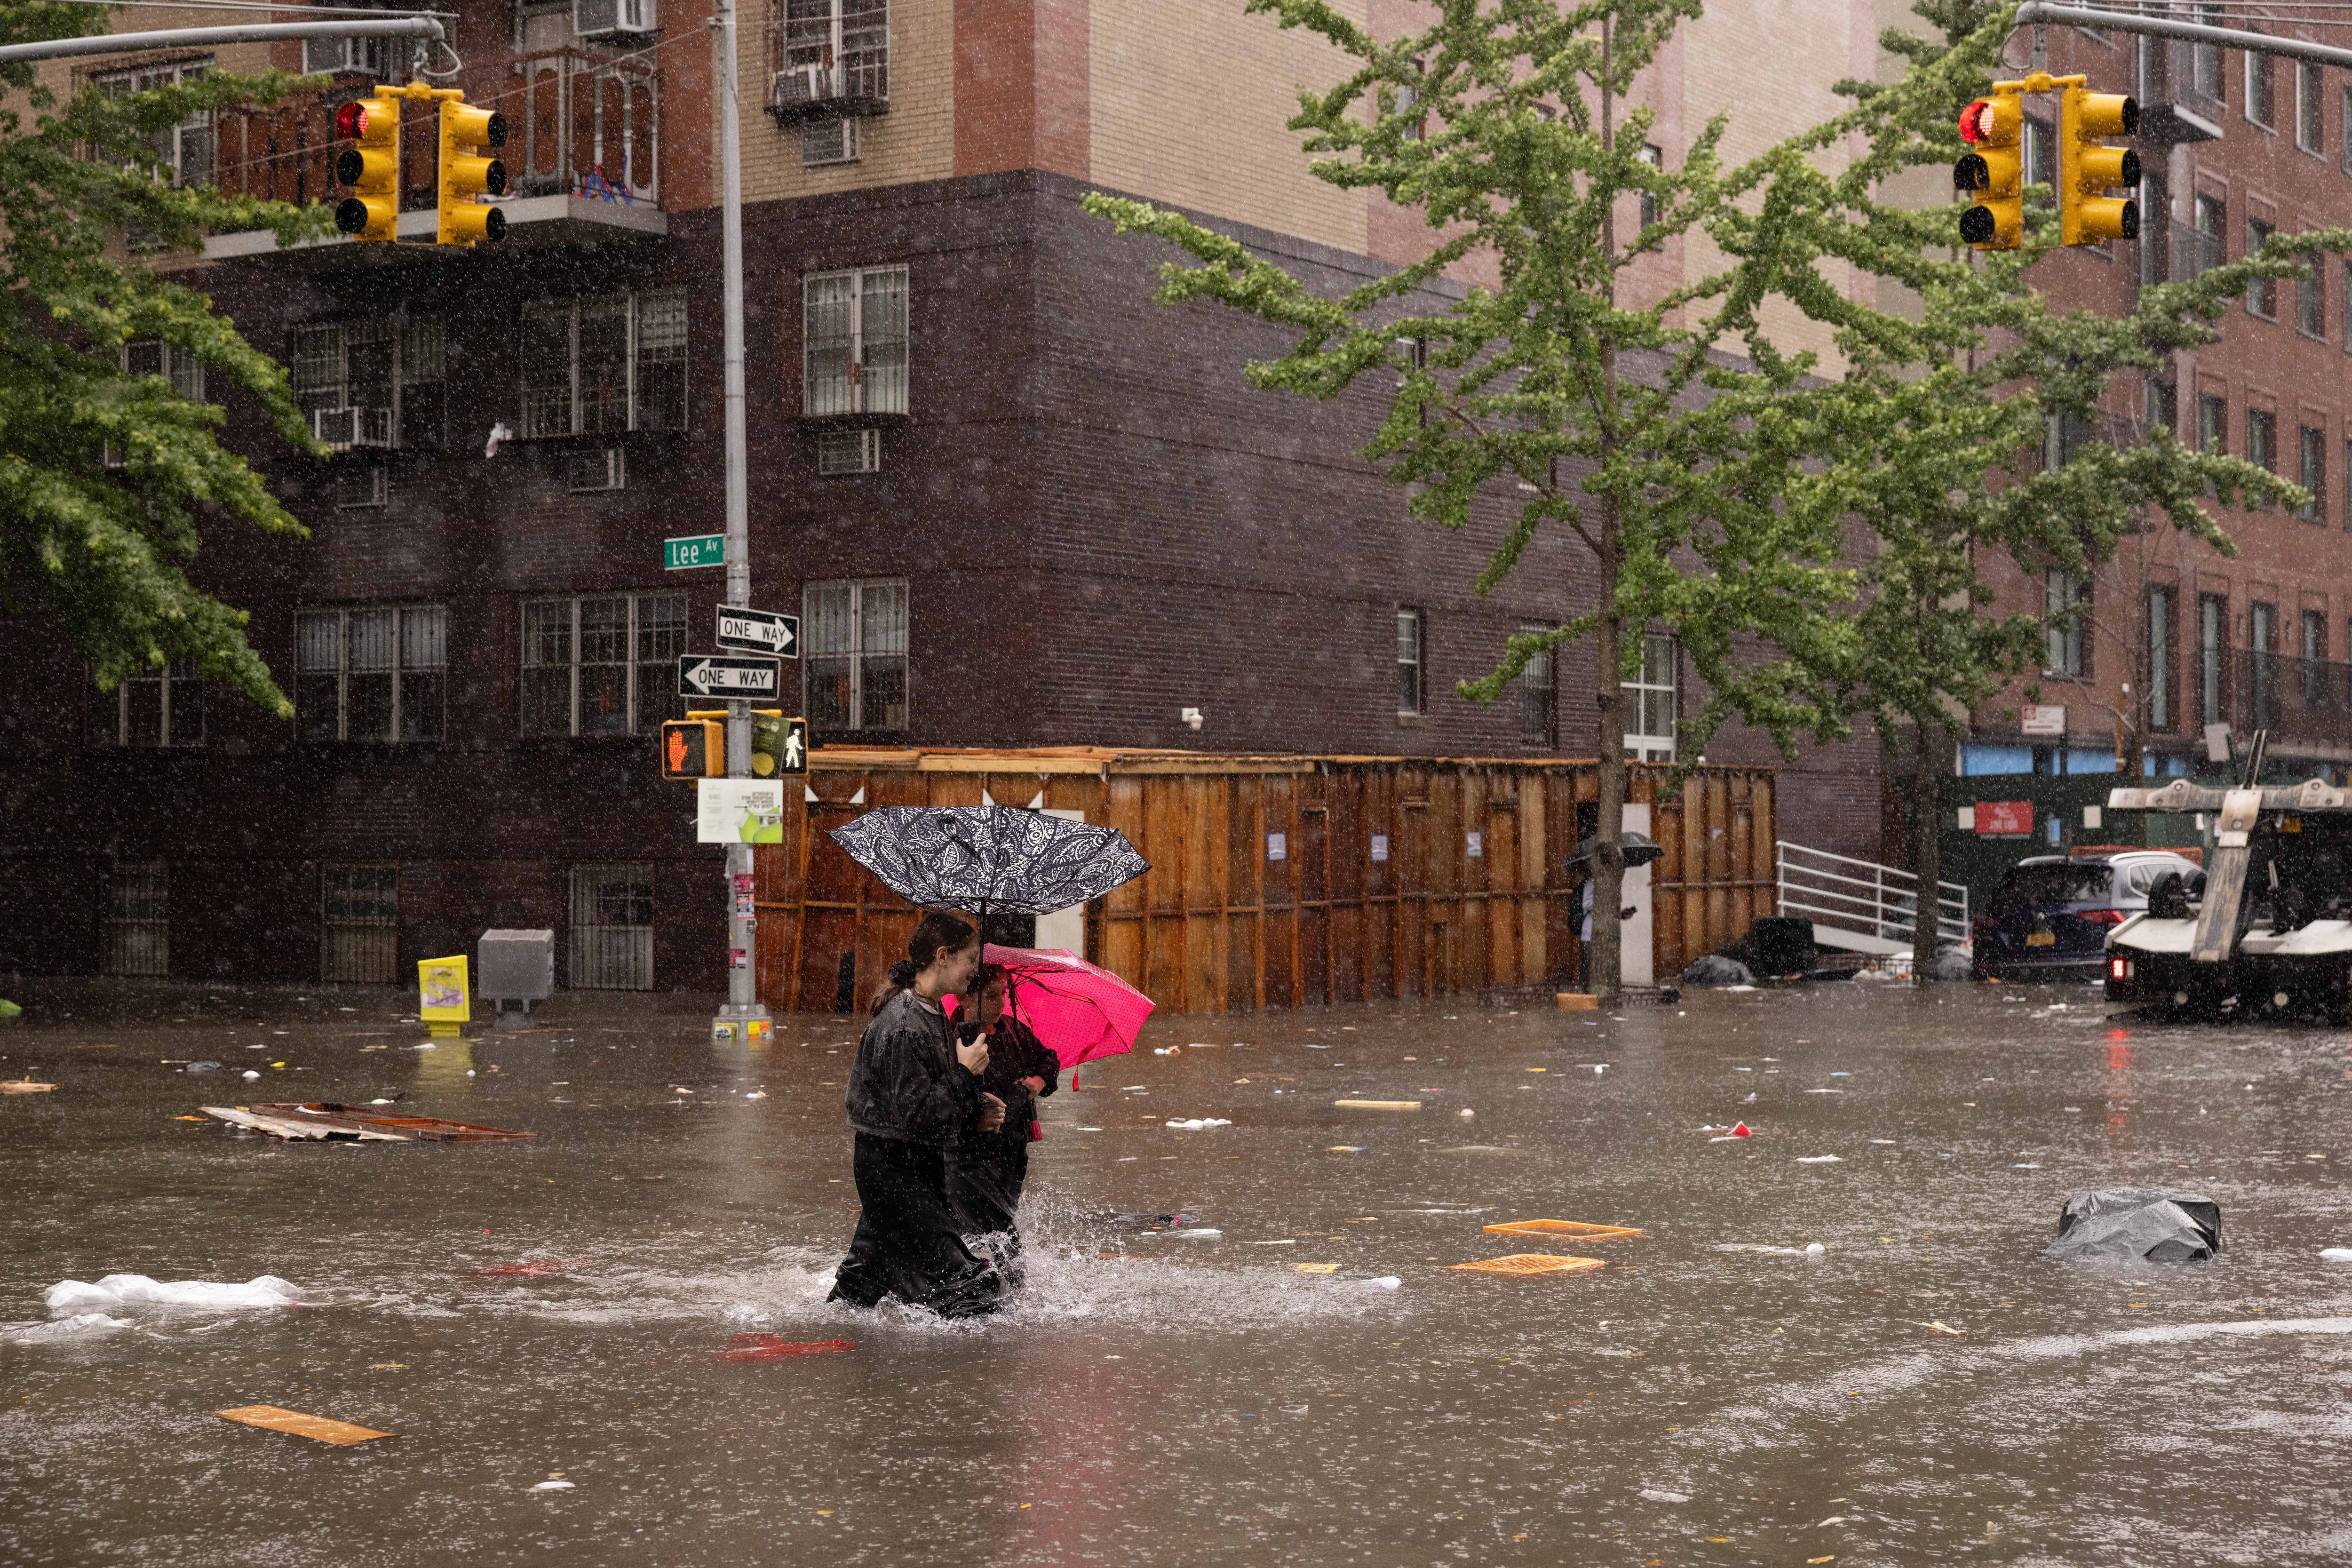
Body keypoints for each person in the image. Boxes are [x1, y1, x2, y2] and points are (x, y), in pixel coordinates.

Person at [828, 912, 1010, 1319]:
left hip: (912, 1169)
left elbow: (928, 1099)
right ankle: (954, 1378)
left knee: (862, 1286)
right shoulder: (905, 1024)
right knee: (975, 1287)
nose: (974, 972)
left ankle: (830, 1341)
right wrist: (966, 1074)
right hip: (895, 1174)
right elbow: (916, 1114)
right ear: (943, 957)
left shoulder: (930, 1014)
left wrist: (975, 1111)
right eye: (970, 960)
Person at [946, 964, 1061, 1266]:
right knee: (1003, 1235)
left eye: (1004, 994)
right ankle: (1014, 1298)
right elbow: (945, 1099)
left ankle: (975, 1283)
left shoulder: (1015, 1032)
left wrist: (1033, 1086)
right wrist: (978, 1110)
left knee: (995, 1224)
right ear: (965, 999)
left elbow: (1049, 1059)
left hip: (1012, 1150)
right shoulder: (953, 1040)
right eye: (991, 996)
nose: (1001, 1003)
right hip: (969, 1155)